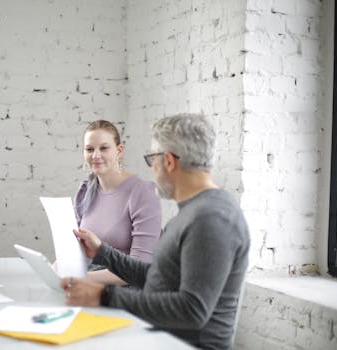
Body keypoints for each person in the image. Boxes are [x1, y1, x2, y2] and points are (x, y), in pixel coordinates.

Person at [61, 114, 250, 350]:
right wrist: (102, 252)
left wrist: (106, 297)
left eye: (153, 159)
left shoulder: (211, 219)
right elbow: (161, 277)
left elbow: (192, 309)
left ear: (169, 161)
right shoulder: (194, 211)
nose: (152, 170)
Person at [74, 119, 161, 285]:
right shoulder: (86, 189)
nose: (96, 155)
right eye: (89, 149)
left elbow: (140, 269)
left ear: (119, 151)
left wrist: (81, 279)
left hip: (124, 293)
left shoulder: (143, 193)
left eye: (104, 148)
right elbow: (75, 250)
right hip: (85, 286)